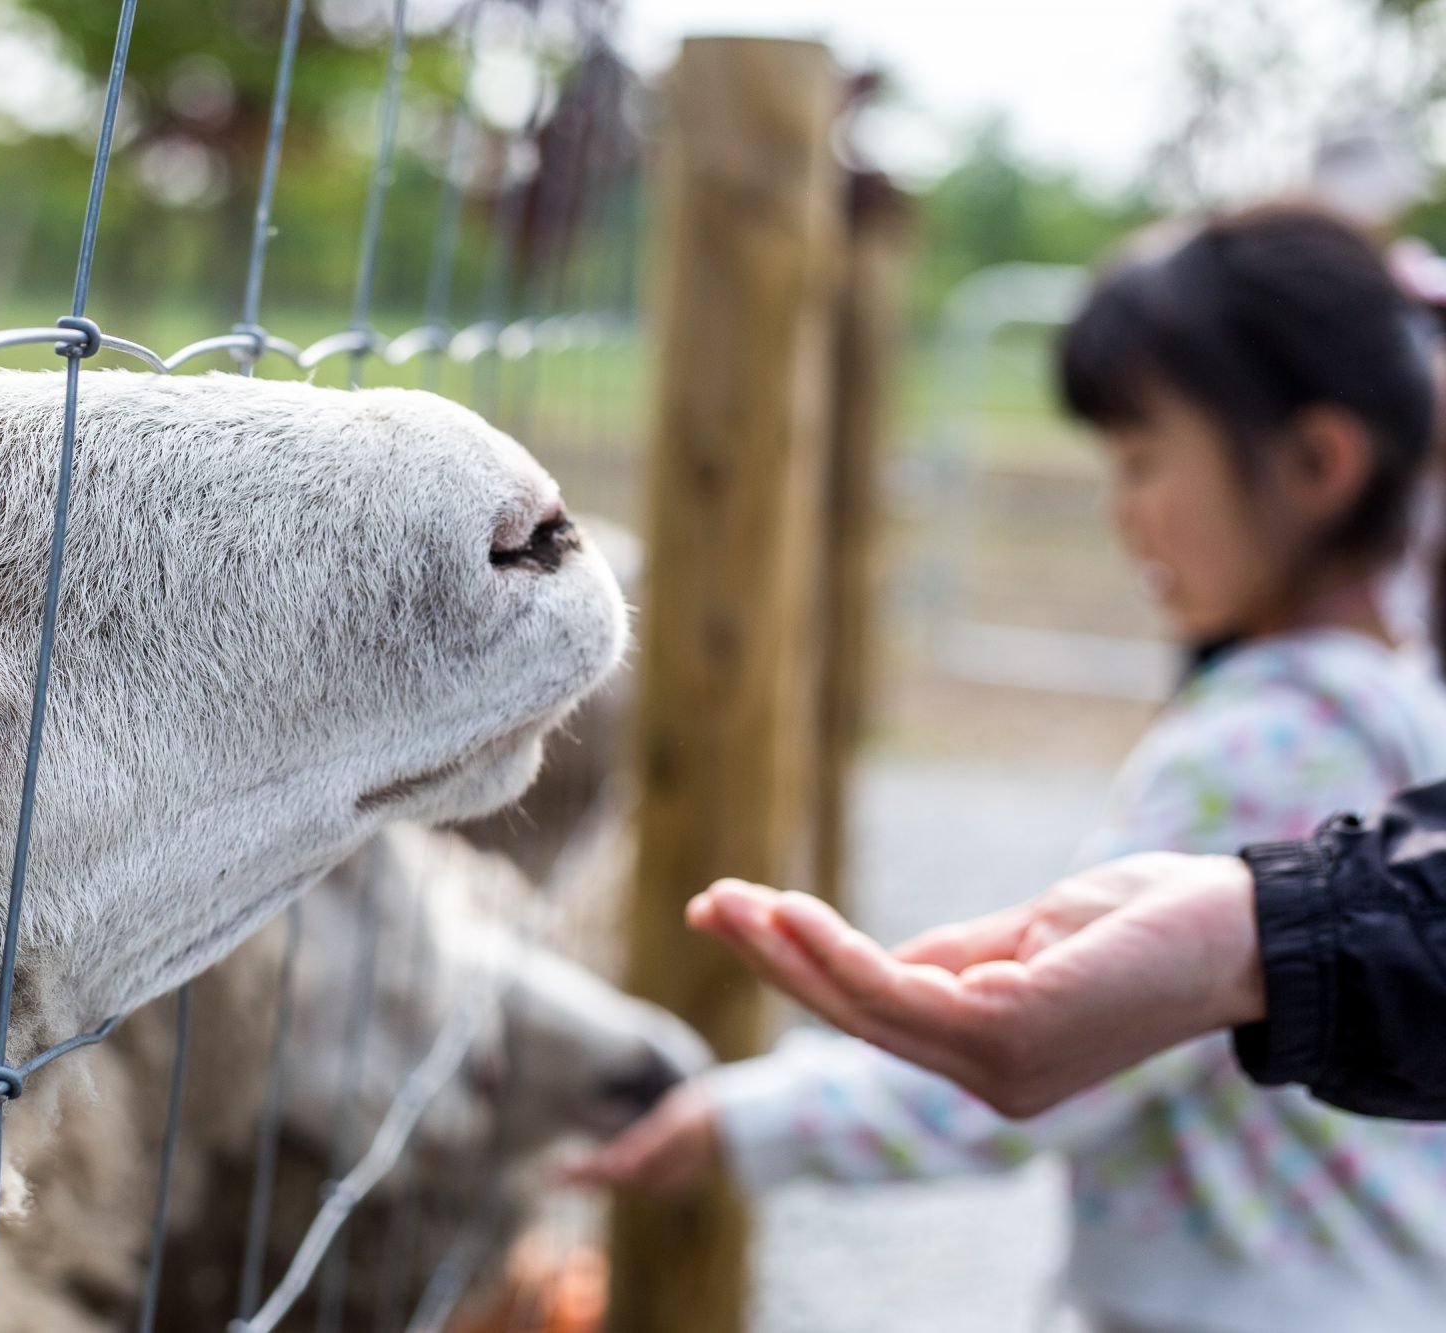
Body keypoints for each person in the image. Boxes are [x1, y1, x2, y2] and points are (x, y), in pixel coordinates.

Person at [571, 206, 1446, 1333]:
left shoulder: (1268, 745)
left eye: (1142, 461)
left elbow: (1072, 1048)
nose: (1120, 511)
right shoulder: (1399, 695)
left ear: (1317, 463)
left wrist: (742, 1119)